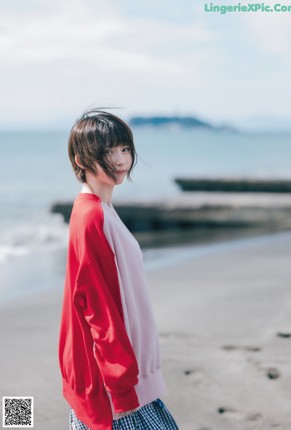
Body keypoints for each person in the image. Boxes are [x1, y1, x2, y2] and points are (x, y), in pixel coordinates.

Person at [58, 109, 179, 430]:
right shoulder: (91, 216)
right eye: (108, 151)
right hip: (114, 380)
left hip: (127, 371)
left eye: (124, 149)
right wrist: (120, 377)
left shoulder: (102, 210)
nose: (120, 159)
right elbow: (94, 303)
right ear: (81, 160)